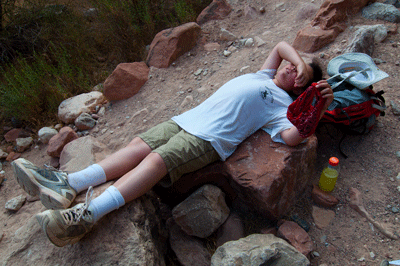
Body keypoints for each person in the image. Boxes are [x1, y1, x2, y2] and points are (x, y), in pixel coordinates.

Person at [11, 41, 334, 247]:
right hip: (185, 120)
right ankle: (69, 183)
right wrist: (301, 61)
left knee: (155, 161)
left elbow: (293, 137)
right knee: (137, 147)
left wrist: (315, 105)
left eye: (298, 70)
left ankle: (86, 216)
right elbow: (281, 46)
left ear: (301, 87)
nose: (290, 66)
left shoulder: (282, 106)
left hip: (209, 139)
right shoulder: (264, 75)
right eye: (294, 63)